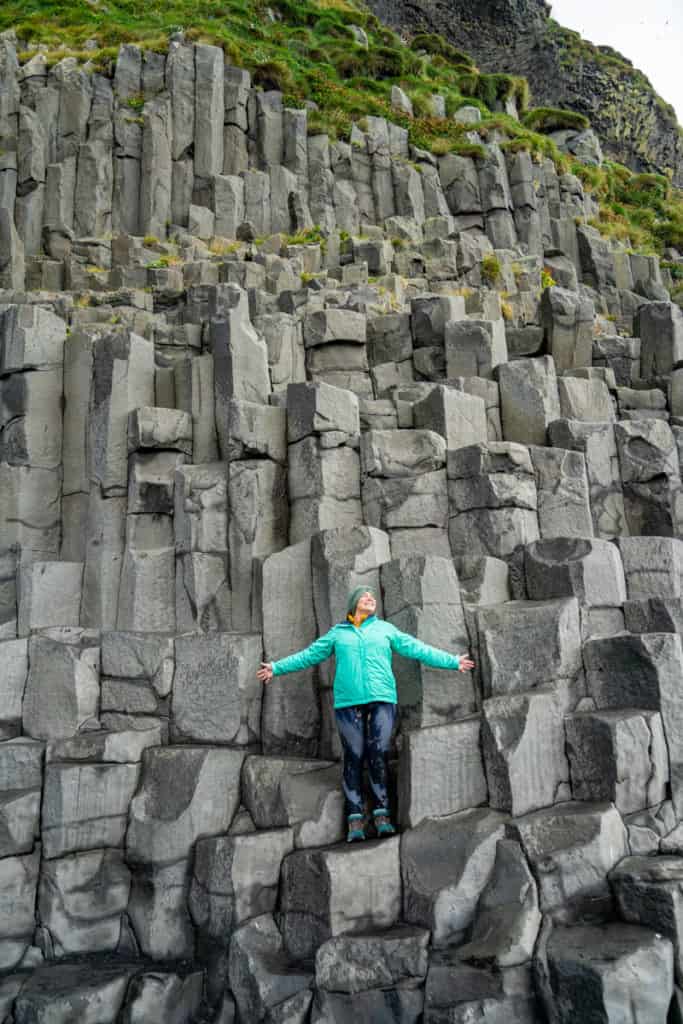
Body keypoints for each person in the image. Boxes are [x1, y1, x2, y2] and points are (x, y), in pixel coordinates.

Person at [257, 585, 475, 843]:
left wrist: (453, 661)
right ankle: (355, 818)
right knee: (354, 754)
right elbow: (308, 655)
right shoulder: (338, 634)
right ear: (354, 603)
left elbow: (417, 648)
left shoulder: (385, 629)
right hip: (347, 704)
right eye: (365, 595)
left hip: (382, 700)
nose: (371, 598)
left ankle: (382, 814)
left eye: (373, 596)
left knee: (378, 751)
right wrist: (276, 668)